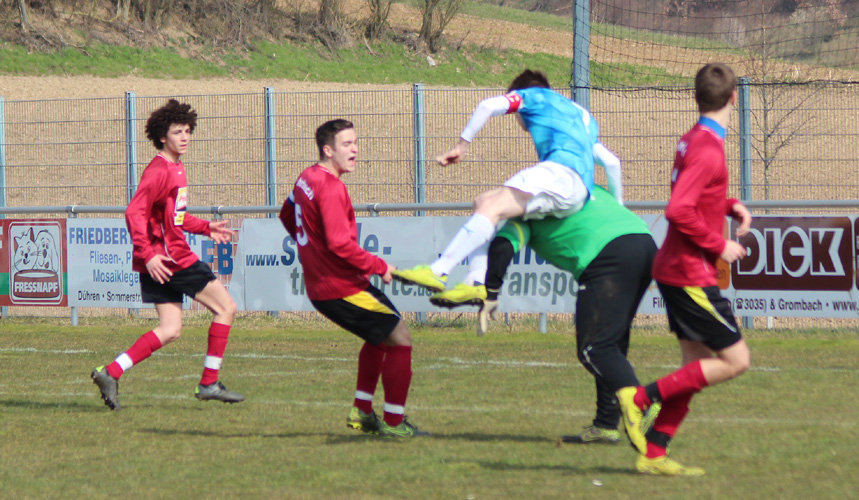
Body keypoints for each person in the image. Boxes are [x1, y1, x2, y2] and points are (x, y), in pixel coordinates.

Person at [431, 185, 657, 444]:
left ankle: (644, 403)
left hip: (607, 255)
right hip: (644, 242)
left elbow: (503, 248)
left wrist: (490, 292)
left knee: (593, 349)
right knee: (611, 344)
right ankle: (606, 424)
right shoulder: (581, 184)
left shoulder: (525, 214)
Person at [616, 63, 753, 477]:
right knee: (736, 360)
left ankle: (654, 453)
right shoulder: (709, 147)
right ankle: (639, 398)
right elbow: (677, 210)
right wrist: (720, 244)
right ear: (734, 98)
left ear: (697, 97)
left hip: (678, 268)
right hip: (689, 272)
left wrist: (728, 205)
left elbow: (694, 194)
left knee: (693, 370)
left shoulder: (695, 139)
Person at [392, 69, 622, 296]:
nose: (518, 118)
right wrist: (618, 207)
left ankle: (439, 270)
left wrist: (461, 146)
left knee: (493, 207)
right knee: (484, 201)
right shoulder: (580, 117)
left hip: (559, 175)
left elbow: (487, 106)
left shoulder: (532, 96)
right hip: (576, 191)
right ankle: (477, 279)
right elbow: (612, 163)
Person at [278, 119, 427, 438]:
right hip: (340, 286)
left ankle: (362, 411)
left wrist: (309, 249)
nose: (355, 149)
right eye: (347, 144)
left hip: (327, 285)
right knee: (400, 336)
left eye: (356, 142)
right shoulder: (331, 187)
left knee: (380, 336)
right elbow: (339, 243)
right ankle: (394, 423)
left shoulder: (307, 177)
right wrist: (379, 266)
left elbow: (286, 215)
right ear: (327, 149)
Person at [91, 99, 243, 410]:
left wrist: (204, 227)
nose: (185, 137)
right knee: (226, 308)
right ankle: (209, 382)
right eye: (178, 131)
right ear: (163, 136)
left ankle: (111, 372)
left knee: (171, 329)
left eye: (188, 130)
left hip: (160, 261)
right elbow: (134, 211)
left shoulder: (176, 167)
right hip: (171, 259)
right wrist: (147, 254)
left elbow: (174, 218)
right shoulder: (160, 171)